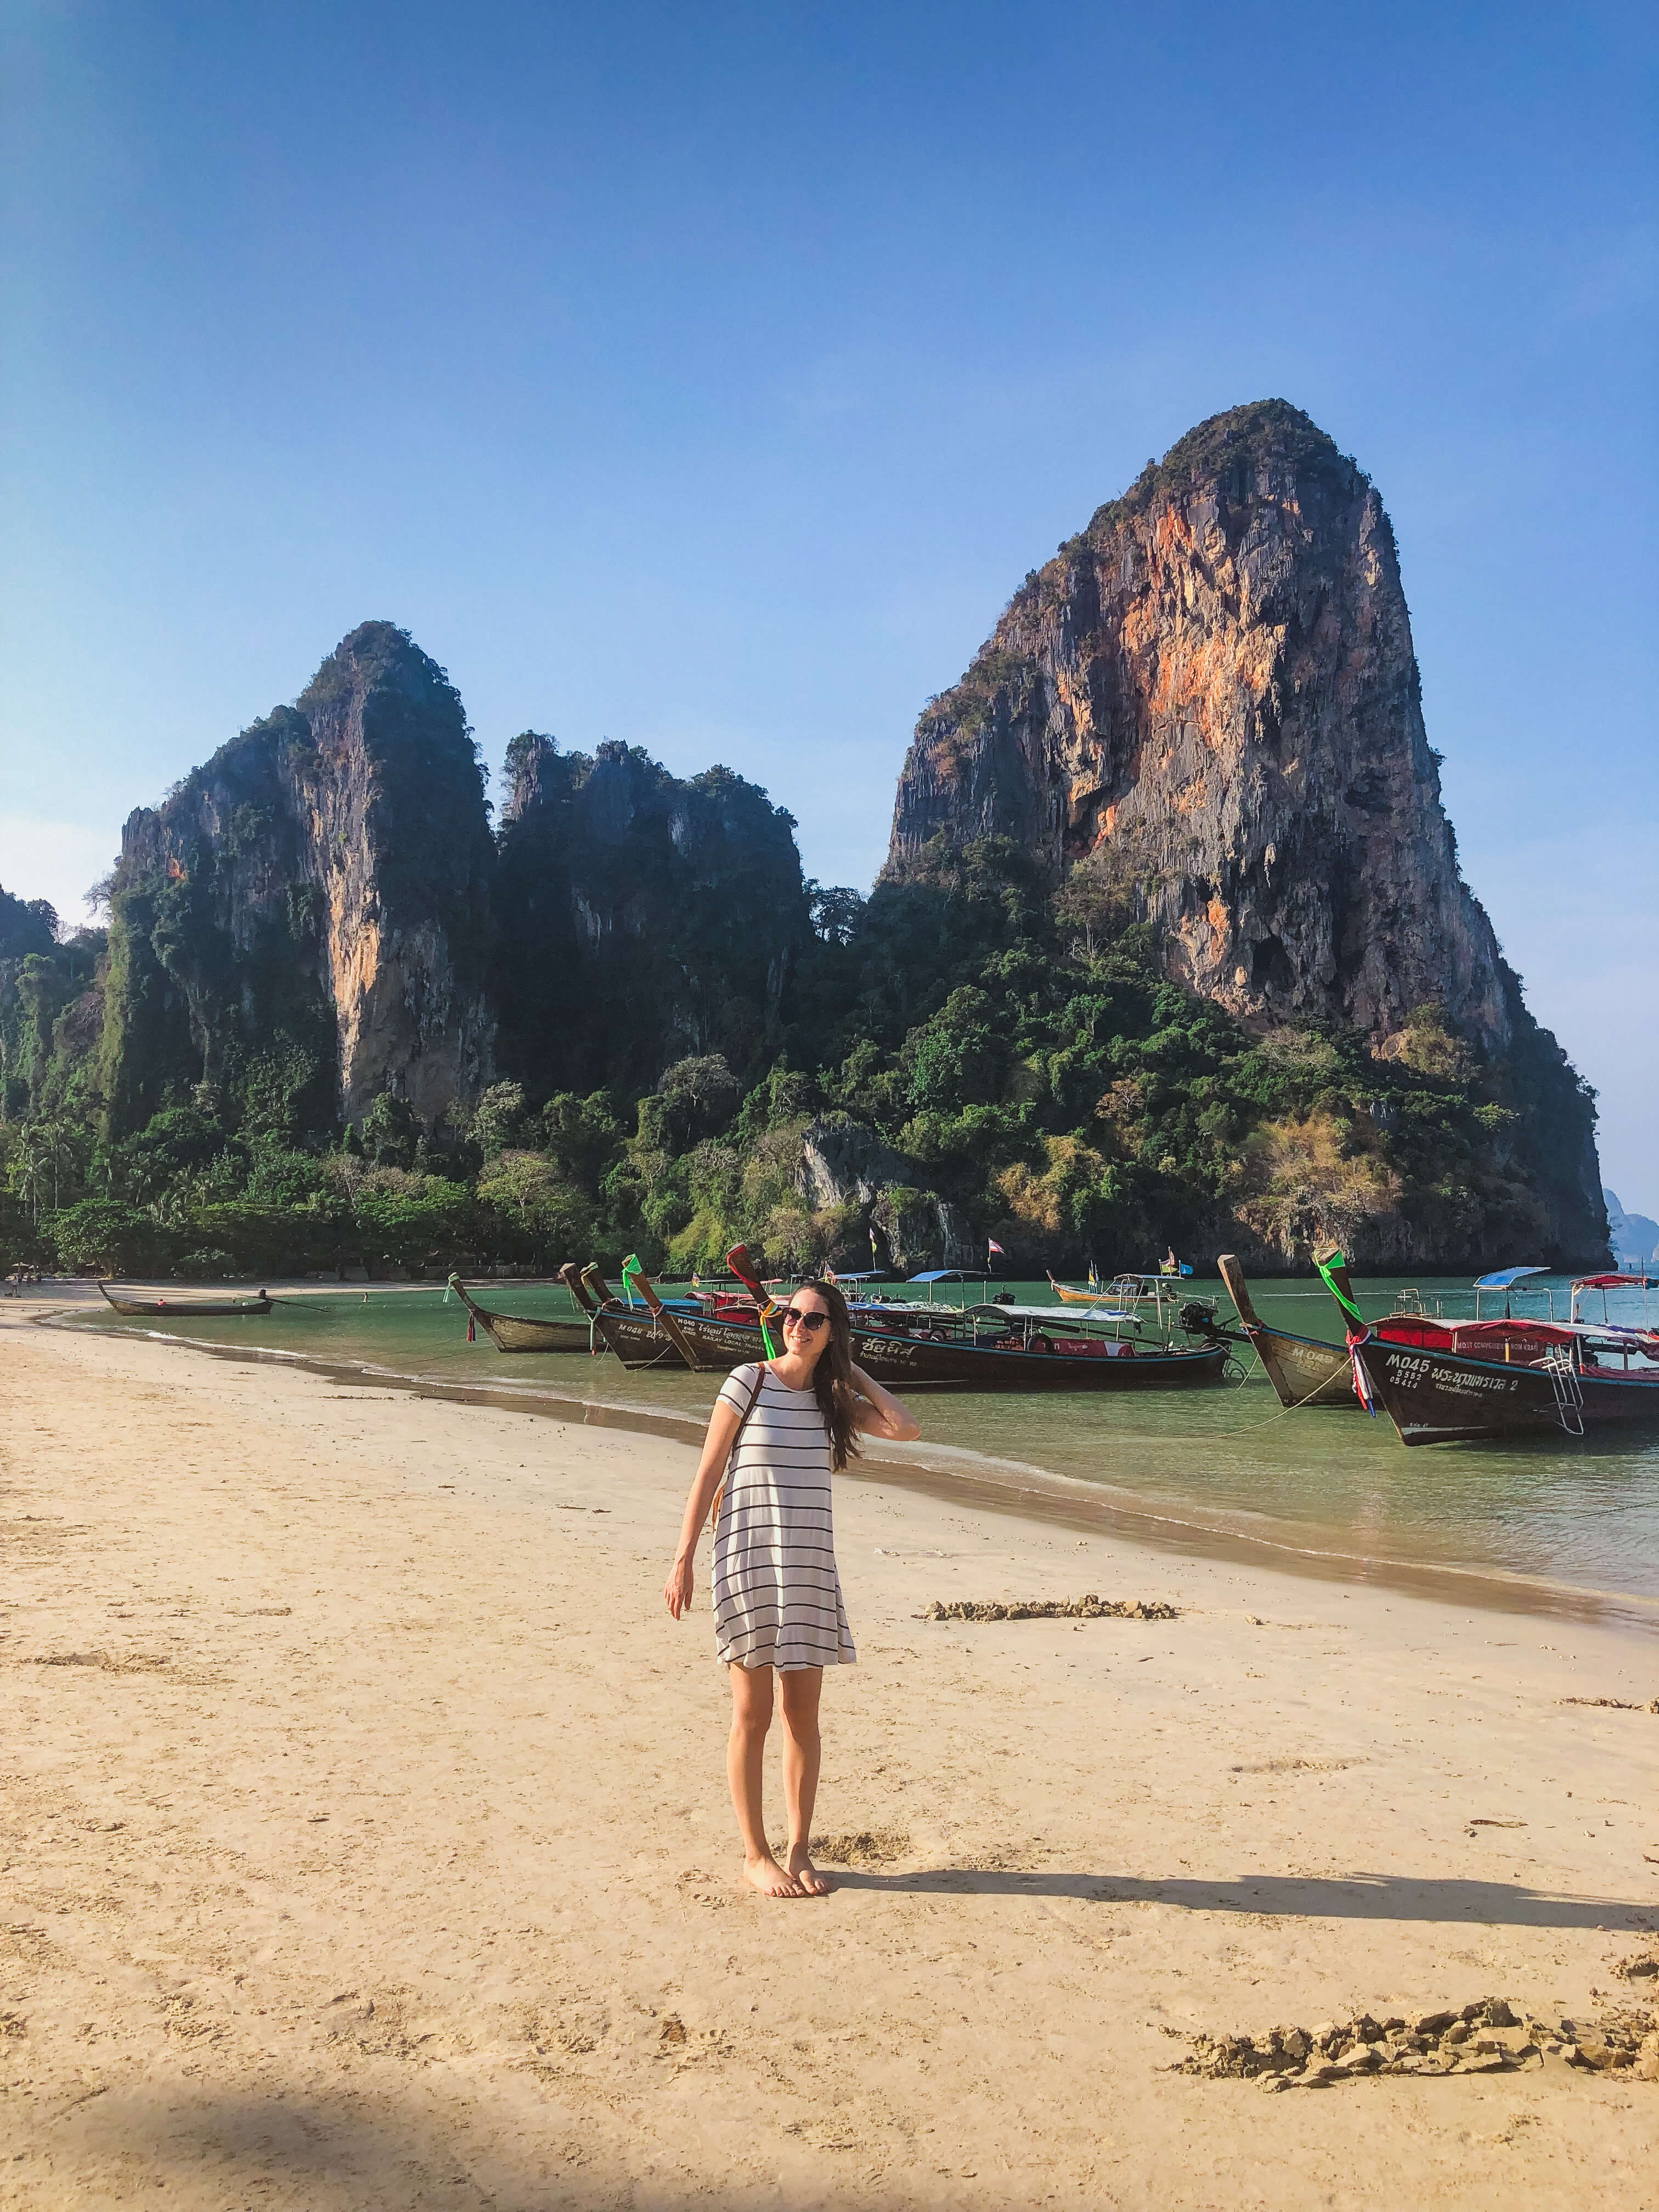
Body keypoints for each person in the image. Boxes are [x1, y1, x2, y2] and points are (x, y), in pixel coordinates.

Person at [663, 1280, 920, 1899]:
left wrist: (851, 1370)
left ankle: (800, 1848)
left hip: (807, 1570)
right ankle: (757, 1854)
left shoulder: (833, 1401)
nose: (798, 1326)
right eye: (791, 1315)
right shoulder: (746, 1382)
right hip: (748, 1565)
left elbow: (906, 1427)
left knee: (803, 1718)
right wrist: (683, 1560)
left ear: (832, 1331)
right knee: (752, 1716)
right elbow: (708, 1472)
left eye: (814, 1320)